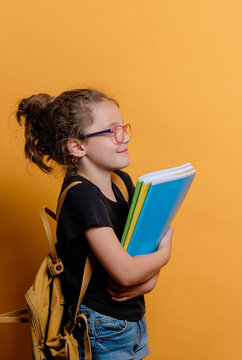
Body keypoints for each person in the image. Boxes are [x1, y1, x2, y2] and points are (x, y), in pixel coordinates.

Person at [16, 89, 173, 359]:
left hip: (133, 318)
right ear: (78, 146)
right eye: (111, 131)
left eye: (123, 127)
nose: (124, 137)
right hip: (102, 327)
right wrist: (165, 254)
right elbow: (125, 272)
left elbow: (140, 253)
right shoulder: (82, 196)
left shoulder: (121, 181)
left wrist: (148, 281)